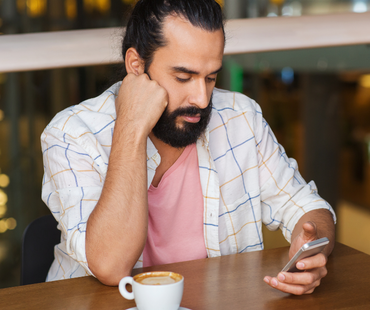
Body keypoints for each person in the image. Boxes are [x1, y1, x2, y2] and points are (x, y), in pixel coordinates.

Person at [41, 0, 336, 295]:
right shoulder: (72, 135)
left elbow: (309, 208)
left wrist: (310, 247)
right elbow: (110, 266)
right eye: (183, 77)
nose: (202, 99)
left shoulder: (241, 117)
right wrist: (131, 128)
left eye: (210, 77)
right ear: (136, 66)